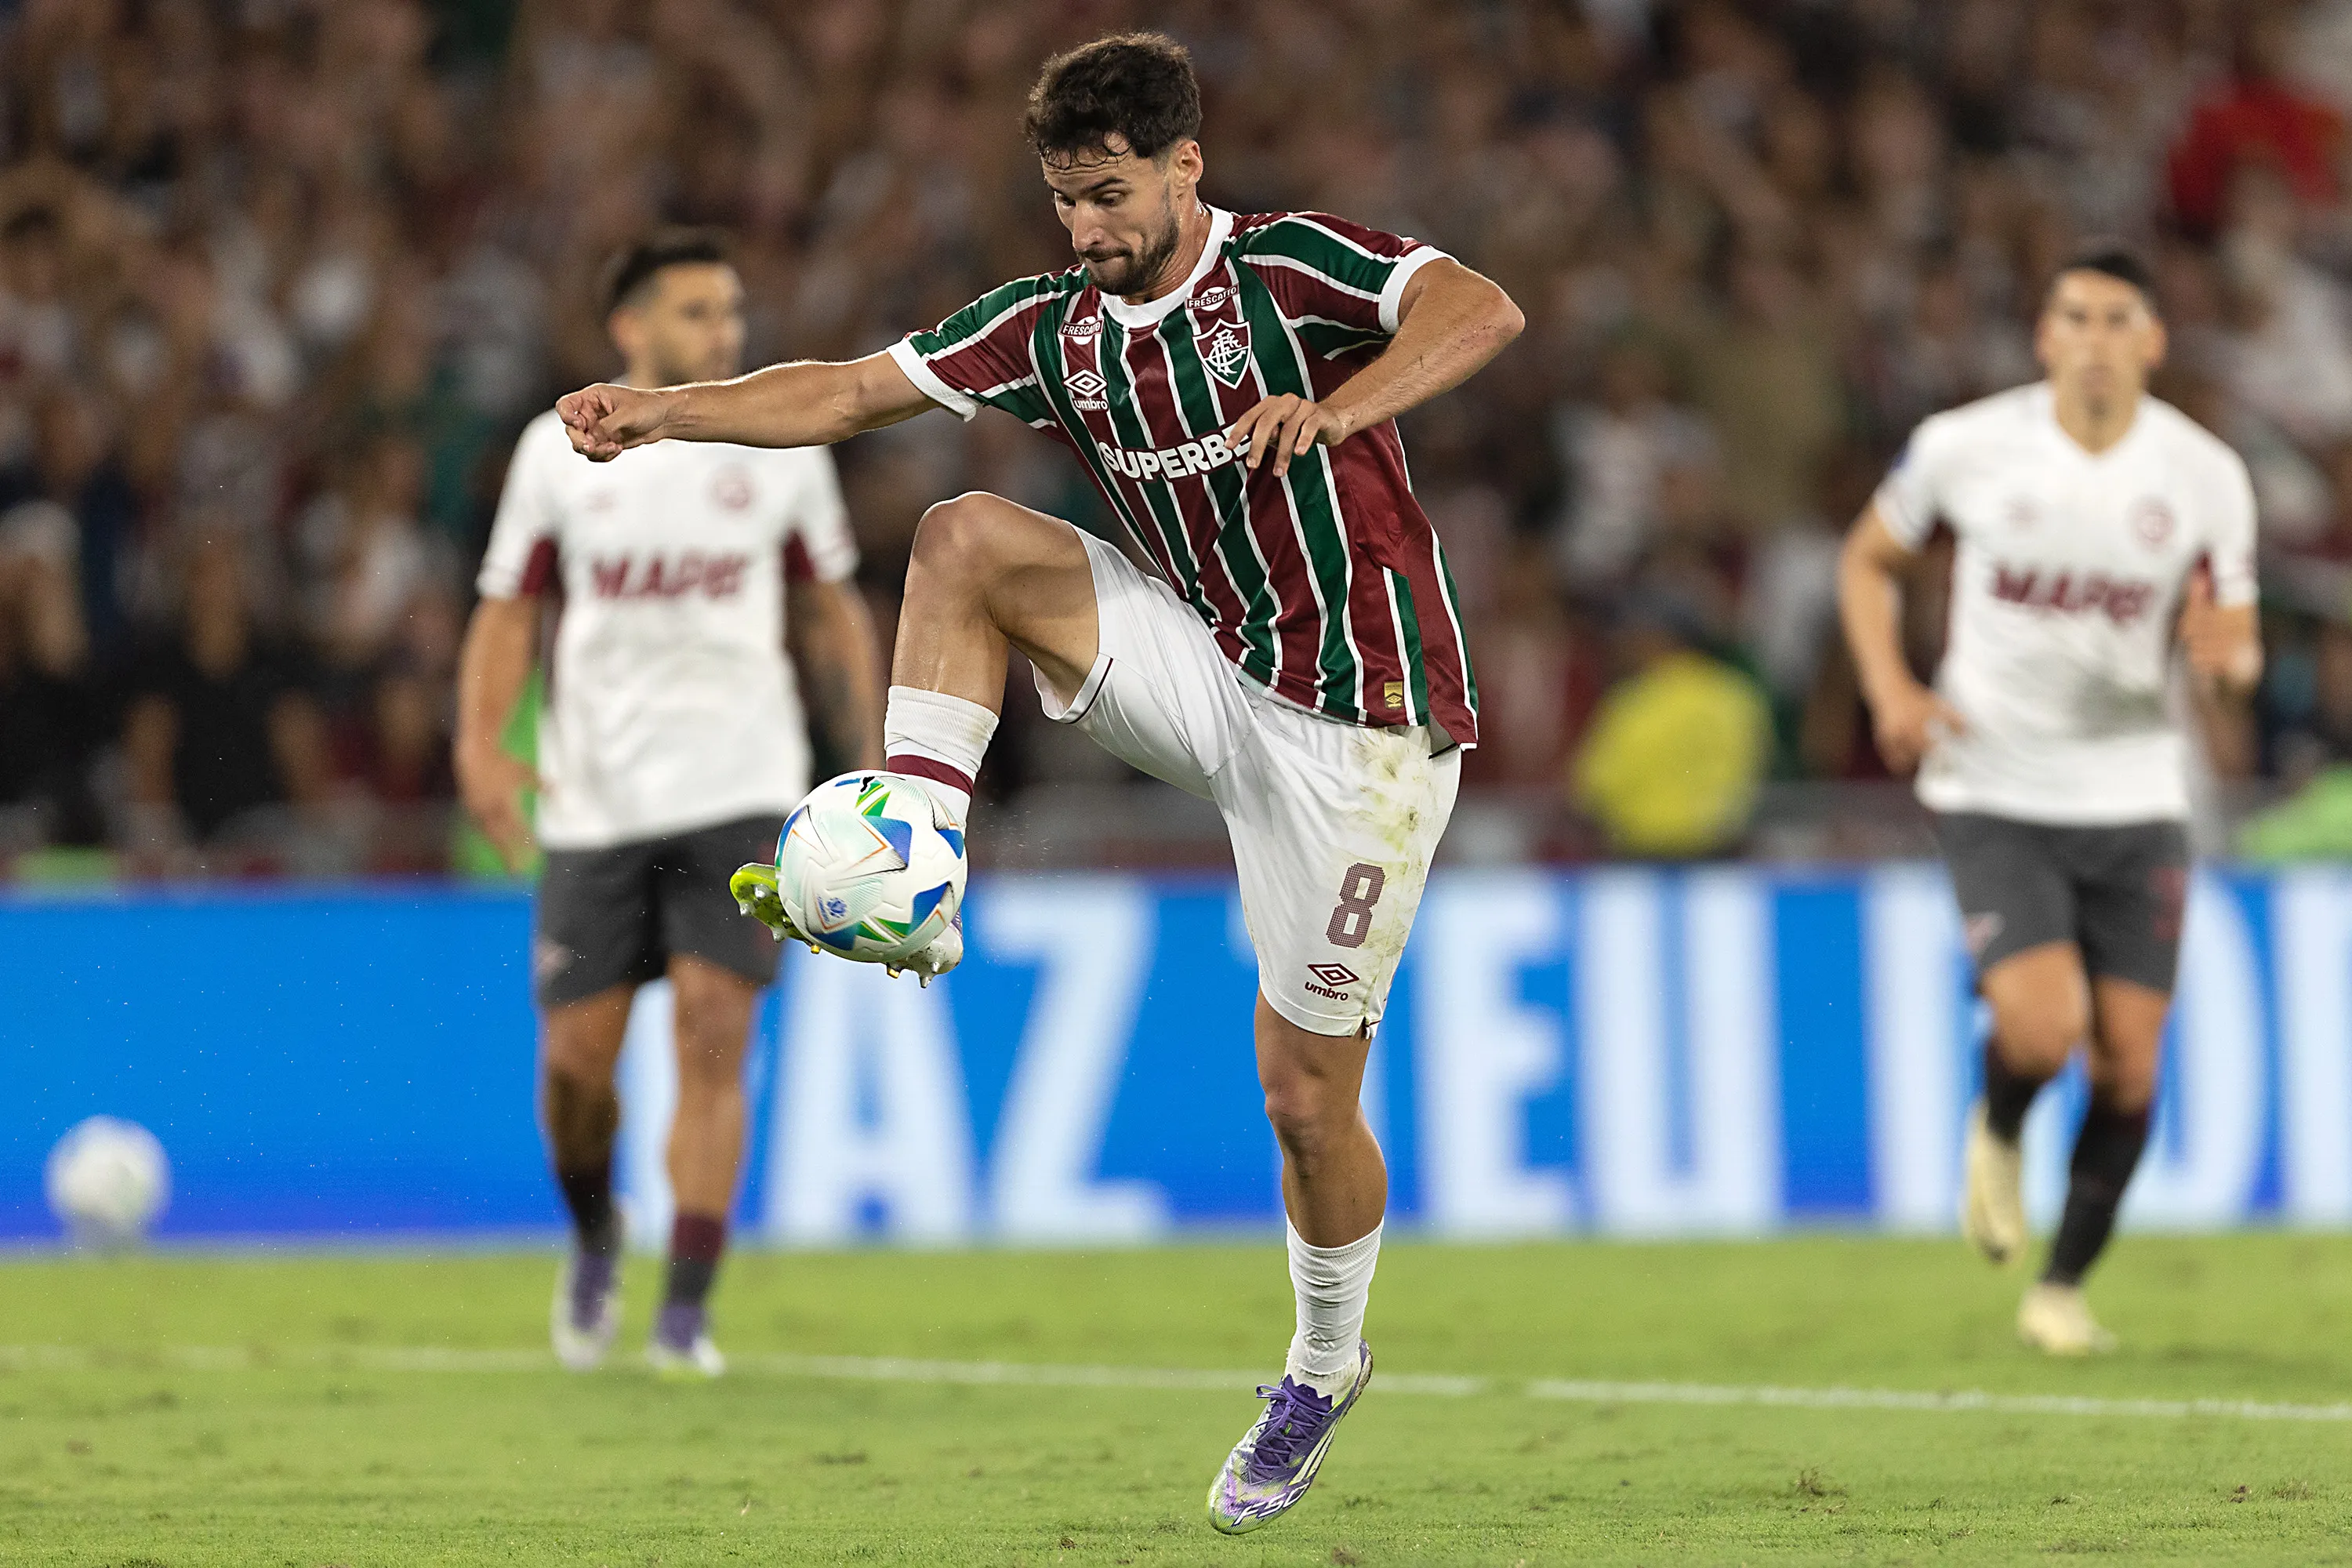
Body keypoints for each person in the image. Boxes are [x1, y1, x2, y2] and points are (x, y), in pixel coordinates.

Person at [556, 34, 1521, 1533]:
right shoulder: (1054, 329)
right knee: (962, 537)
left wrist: (1342, 407)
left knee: (1305, 1101)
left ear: (1186, 166)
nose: (1085, 228)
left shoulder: (1291, 269)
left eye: (1110, 195)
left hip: (1365, 727)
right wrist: (664, 412)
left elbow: (1480, 307)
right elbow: (847, 394)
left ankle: (1325, 1364)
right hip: (1207, 662)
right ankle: (914, 862)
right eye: (1065, 200)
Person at [456, 230, 884, 1378]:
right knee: (576, 1069)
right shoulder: (556, 450)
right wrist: (481, 749)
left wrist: (876, 756)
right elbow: (507, 611)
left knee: (714, 1033)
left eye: (731, 310)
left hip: (741, 784)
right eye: (697, 312)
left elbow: (829, 609)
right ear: (630, 329)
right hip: (595, 800)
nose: (724, 332)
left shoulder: (780, 440)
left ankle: (686, 1309)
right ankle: (598, 1231)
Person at [1838, 243, 2263, 1356]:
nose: (2095, 339)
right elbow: (1866, 561)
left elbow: (2235, 648)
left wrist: (2227, 663)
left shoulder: (2206, 475)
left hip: (2137, 788)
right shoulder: (1965, 447)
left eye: (2119, 319)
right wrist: (1892, 689)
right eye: (2075, 317)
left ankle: (2061, 1288)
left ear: (2153, 341)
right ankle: (2002, 1120)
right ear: (2044, 336)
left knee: (2130, 1061)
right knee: (2042, 1025)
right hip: (1995, 779)